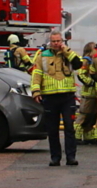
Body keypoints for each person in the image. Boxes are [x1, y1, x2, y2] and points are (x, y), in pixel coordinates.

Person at [31, 30, 82, 166]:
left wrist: (67, 51)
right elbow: (37, 73)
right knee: (52, 129)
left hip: (67, 96)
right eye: (54, 41)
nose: (56, 43)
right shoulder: (42, 56)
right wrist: (36, 91)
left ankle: (71, 157)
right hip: (50, 97)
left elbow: (78, 64)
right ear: (50, 42)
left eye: (58, 41)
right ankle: (55, 157)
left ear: (62, 41)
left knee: (69, 127)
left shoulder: (69, 54)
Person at [74, 42, 97, 145]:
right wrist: (91, 82)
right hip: (88, 93)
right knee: (83, 115)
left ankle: (89, 136)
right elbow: (81, 75)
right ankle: (76, 136)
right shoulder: (86, 60)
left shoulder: (94, 60)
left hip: (95, 93)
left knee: (92, 117)